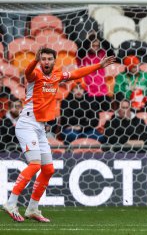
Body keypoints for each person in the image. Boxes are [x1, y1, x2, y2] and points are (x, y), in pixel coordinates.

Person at [2, 47, 115, 222]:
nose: (46, 61)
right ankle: (11, 202)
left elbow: (77, 73)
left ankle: (32, 208)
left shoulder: (56, 75)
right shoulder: (35, 75)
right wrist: (34, 60)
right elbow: (27, 71)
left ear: (54, 61)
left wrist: (98, 65)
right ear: (40, 60)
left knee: (48, 169)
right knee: (35, 165)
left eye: (49, 59)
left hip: (40, 127)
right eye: (43, 59)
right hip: (27, 124)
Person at [77, 33, 111, 111]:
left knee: (107, 113)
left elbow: (110, 48)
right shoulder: (83, 56)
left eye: (97, 46)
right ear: (89, 45)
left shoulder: (102, 54)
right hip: (89, 92)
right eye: (93, 45)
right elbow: (80, 49)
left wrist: (99, 37)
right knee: (92, 114)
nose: (95, 48)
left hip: (103, 91)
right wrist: (90, 38)